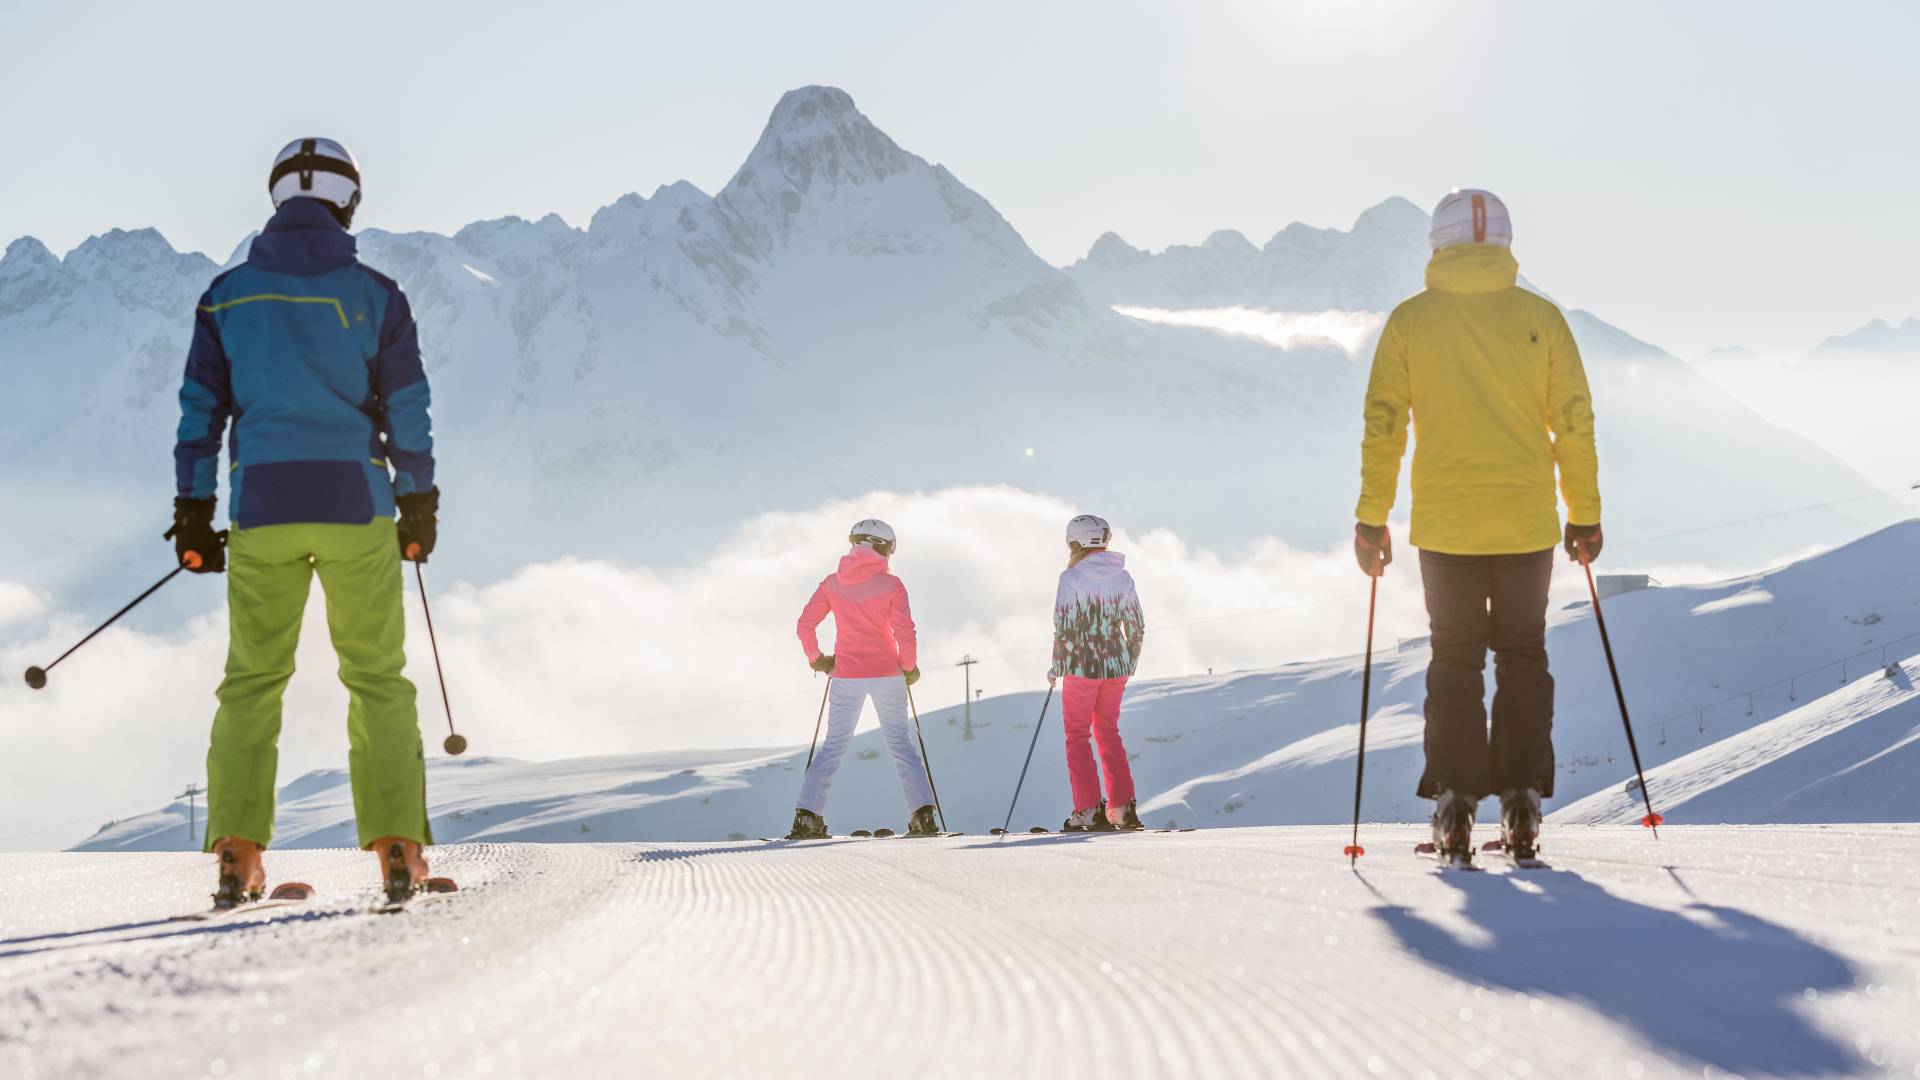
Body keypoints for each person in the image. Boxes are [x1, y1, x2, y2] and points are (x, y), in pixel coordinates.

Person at [171, 137, 442, 905]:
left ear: (278, 198)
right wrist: (418, 501)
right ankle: (397, 849)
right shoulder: (378, 295)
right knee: (377, 678)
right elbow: (409, 408)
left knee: (252, 681)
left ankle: (238, 852)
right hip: (357, 506)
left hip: (263, 508)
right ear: (347, 200)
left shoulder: (226, 296)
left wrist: (193, 512)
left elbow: (201, 413)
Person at [1352, 189, 1601, 863]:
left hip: (1447, 525)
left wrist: (1371, 518)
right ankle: (1521, 801)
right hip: (1526, 524)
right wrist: (1585, 512)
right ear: (1505, 244)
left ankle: (1455, 806)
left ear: (1437, 243)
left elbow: (1385, 425)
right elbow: (1573, 420)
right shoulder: (1542, 319)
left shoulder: (1411, 322)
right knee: (1524, 655)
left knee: (1455, 658)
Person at [790, 519, 935, 839]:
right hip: (888, 674)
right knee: (900, 743)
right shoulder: (892, 585)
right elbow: (905, 631)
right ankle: (923, 816)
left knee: (834, 746)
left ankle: (807, 817)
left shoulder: (832, 584)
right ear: (884, 547)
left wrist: (818, 659)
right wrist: (909, 667)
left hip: (846, 675)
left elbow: (805, 626)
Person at [1048, 515, 1147, 832]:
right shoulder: (1122, 576)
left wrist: (1057, 665)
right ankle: (1122, 808)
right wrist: (1127, 663)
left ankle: (1087, 809)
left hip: (1081, 665)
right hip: (1115, 664)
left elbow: (1065, 627)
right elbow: (1136, 626)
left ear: (1075, 542)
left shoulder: (1072, 578)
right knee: (1108, 731)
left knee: (1077, 735)